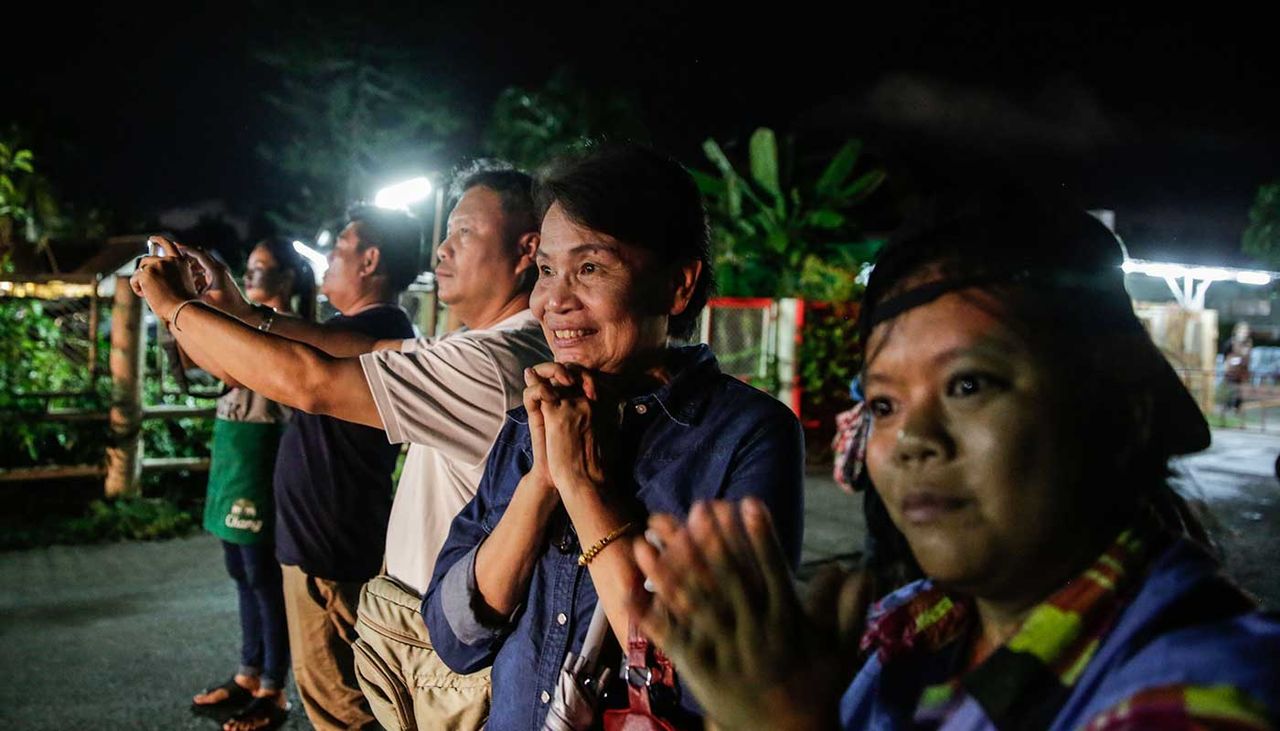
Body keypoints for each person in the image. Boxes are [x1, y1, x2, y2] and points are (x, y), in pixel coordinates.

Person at [631, 189, 1280, 729]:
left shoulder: (1205, 692)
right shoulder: (908, 626)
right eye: (884, 404)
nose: (913, 438)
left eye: (969, 384)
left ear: (1121, 409)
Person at [132, 163, 549, 730]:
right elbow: (350, 345)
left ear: (528, 249)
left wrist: (175, 308)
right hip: (432, 625)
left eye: (464, 233)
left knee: (347, 714)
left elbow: (314, 380)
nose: (442, 250)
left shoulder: (494, 362)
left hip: (446, 643)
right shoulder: (482, 345)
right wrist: (239, 311)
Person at [422, 143, 807, 730]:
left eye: (591, 268)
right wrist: (543, 480)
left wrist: (581, 485)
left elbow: (712, 679)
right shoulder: (535, 419)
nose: (554, 301)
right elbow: (455, 636)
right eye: (547, 270)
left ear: (678, 285)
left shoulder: (747, 436)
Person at [133, 206, 419, 731]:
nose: (326, 259)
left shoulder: (381, 328)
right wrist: (192, 307)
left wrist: (182, 306)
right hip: (316, 540)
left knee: (349, 703)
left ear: (371, 260)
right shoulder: (342, 327)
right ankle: (256, 679)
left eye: (338, 248)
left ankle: (267, 688)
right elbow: (229, 365)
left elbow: (298, 374)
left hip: (334, 545)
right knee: (334, 693)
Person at [189, 237, 313, 731]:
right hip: (234, 450)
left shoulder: (286, 331)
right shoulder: (243, 322)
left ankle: (272, 688)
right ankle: (247, 672)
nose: (253, 275)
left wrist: (195, 313)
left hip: (265, 451)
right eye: (251, 268)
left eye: (264, 269)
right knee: (241, 571)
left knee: (264, 577)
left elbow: (232, 370)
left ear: (287, 277)